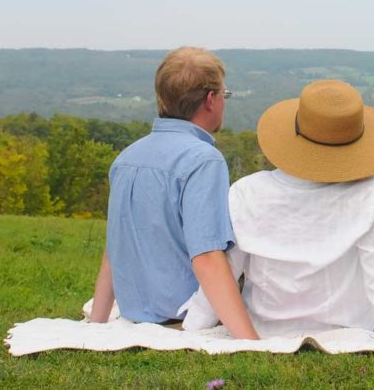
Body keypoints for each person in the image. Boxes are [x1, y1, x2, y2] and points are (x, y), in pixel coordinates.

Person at [177, 79, 374, 342]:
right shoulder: (373, 192)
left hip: (264, 330)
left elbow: (225, 270)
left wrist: (195, 324)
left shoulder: (247, 191)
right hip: (350, 333)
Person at [89, 46, 258, 339]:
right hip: (183, 317)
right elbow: (206, 256)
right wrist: (250, 342)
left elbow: (115, 246)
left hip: (134, 313)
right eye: (224, 95)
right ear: (210, 100)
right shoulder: (204, 159)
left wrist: (96, 325)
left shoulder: (126, 157)